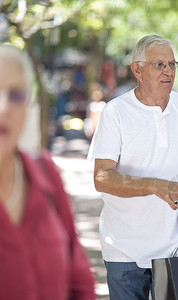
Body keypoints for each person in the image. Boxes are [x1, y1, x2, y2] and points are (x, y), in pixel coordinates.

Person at [87, 35, 178, 299]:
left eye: (172, 64)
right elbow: (102, 178)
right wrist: (155, 185)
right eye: (159, 65)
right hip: (124, 249)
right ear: (137, 70)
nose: (168, 71)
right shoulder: (116, 112)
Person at [0, 45, 96, 299]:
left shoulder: (44, 173)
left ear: (27, 108)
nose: (3, 108)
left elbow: (80, 280)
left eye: (16, 96)